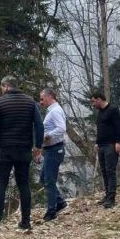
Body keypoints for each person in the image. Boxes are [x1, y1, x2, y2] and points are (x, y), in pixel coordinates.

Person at [0, 75, 44, 233]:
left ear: (5, 86)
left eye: (1, 88)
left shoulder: (0, 102)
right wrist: (37, 146)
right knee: (24, 184)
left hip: (5, 149)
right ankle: (25, 222)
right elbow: (39, 126)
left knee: (1, 184)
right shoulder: (30, 102)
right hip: (24, 149)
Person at [39, 88, 68, 221]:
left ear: (50, 97)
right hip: (50, 150)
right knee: (43, 178)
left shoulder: (55, 111)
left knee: (49, 181)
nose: (41, 102)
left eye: (42, 99)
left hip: (55, 150)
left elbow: (62, 128)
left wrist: (48, 136)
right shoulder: (52, 110)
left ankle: (51, 211)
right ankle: (60, 202)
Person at [91, 92, 120, 209]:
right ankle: (107, 195)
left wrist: (118, 142)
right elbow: (100, 129)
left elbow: (119, 126)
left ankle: (111, 198)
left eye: (94, 101)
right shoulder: (100, 113)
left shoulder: (113, 110)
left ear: (99, 99)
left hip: (111, 145)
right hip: (101, 146)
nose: (93, 104)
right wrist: (97, 143)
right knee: (104, 171)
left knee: (110, 171)